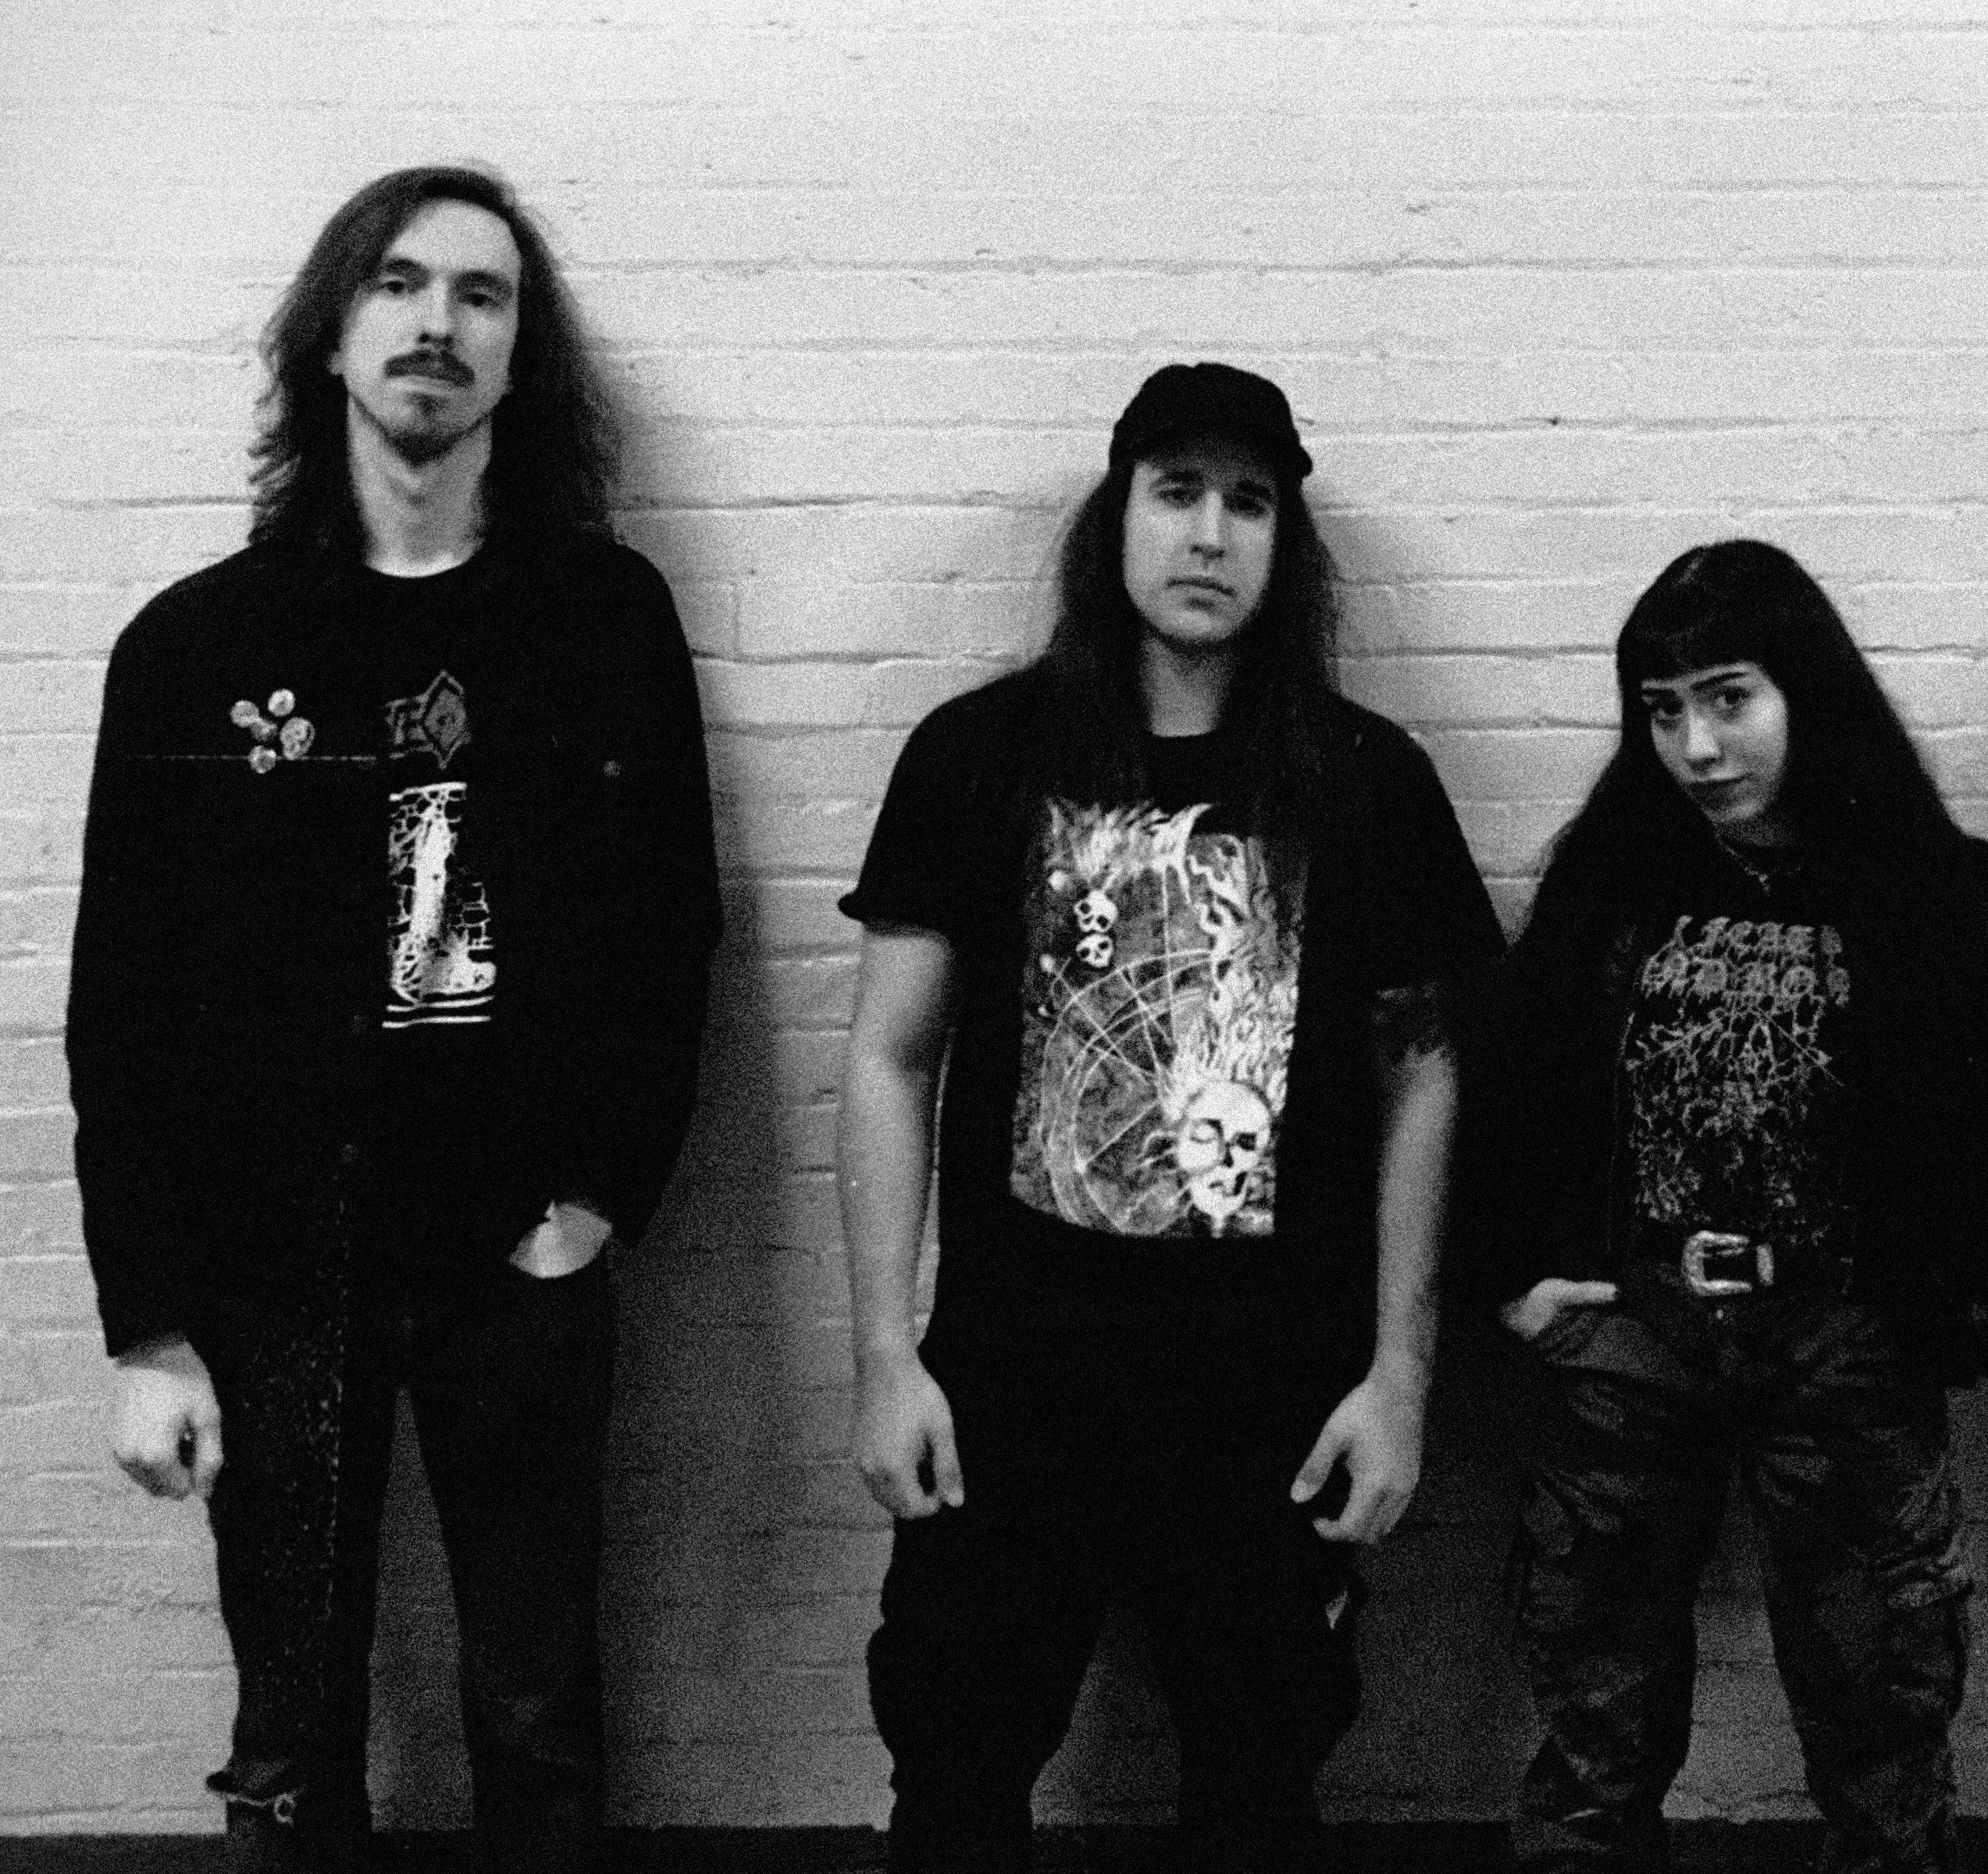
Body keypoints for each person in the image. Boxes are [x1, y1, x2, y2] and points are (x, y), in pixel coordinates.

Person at [67, 165, 720, 1871]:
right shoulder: (197, 647)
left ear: (521, 355)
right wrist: (149, 1329)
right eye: (400, 284)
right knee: (289, 1735)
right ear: (331, 335)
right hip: (270, 1268)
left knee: (538, 1718)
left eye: (482, 295)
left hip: (520, 1255)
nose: (439, 324)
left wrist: (598, 1198)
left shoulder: (601, 621)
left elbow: (673, 936)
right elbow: (120, 1010)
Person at [838, 362, 1502, 1873]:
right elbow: (887, 1059)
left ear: (1286, 545)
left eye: (1249, 503)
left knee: (1259, 1785)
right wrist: (883, 1356)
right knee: (954, 1771)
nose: (1210, 534)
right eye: (1178, 492)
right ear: (1117, 515)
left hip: (1271, 1393)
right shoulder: (978, 756)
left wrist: (1400, 1377)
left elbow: (1423, 1078)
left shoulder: (1368, 782)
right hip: (1014, 1380)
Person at [1465, 540, 1988, 1873]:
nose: (1697, 747)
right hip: (1636, 1339)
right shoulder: (1609, 890)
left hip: (1842, 1343)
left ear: (1808, 690)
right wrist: (1520, 1277)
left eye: (1730, 698)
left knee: (1884, 1734)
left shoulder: (1956, 898)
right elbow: (1509, 1091)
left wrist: (1956, 1322)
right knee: (1592, 1733)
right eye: (1663, 710)